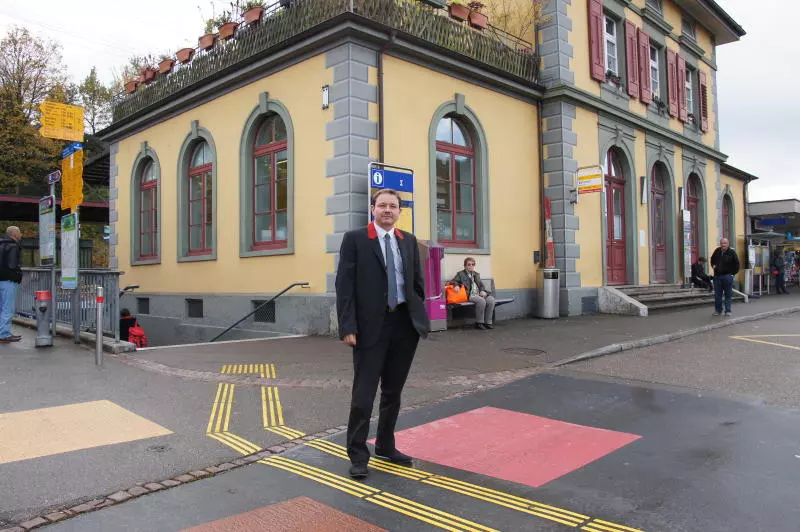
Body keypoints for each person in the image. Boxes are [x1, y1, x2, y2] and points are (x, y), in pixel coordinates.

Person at [336, 188, 430, 479]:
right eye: (382, 205)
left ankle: (386, 445)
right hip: (368, 329)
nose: (387, 210)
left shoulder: (408, 240)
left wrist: (416, 312)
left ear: (400, 211)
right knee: (363, 396)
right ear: (373, 209)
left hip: (404, 326)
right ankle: (357, 454)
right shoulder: (355, 239)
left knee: (393, 393)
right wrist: (348, 326)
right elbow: (344, 286)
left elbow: (416, 282)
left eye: (393, 206)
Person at [449, 257, 496, 329]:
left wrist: (483, 291)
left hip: (479, 294)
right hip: (470, 295)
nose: (471, 266)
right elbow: (453, 281)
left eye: (473, 264)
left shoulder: (476, 274)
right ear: (465, 266)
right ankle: (479, 322)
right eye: (469, 264)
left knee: (491, 300)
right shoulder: (460, 274)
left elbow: (481, 285)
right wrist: (456, 285)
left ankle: (488, 322)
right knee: (481, 301)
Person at [0, 226, 23, 343]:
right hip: (8, 281)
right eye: (19, 232)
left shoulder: (1, 244)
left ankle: (2, 332)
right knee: (7, 308)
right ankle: (4, 335)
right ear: (14, 234)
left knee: (1, 308)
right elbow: (12, 265)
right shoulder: (13, 246)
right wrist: (19, 276)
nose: (21, 235)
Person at [710, 238, 740, 317]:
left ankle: (728, 311)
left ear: (728, 244)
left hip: (727, 276)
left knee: (728, 294)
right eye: (722, 243)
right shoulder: (717, 251)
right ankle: (718, 310)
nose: (723, 245)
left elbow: (737, 264)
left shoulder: (732, 252)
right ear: (720, 244)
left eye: (725, 243)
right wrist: (713, 266)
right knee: (717, 295)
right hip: (717, 277)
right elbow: (712, 259)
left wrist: (732, 274)